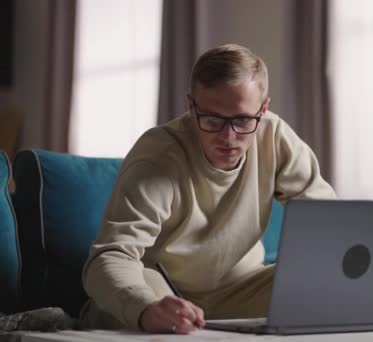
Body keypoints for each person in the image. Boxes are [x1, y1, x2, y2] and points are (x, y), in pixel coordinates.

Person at [80, 44, 336, 334]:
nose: (228, 137)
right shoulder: (158, 156)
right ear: (191, 107)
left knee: (322, 284)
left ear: (263, 110)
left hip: (241, 290)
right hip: (163, 292)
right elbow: (109, 257)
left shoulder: (274, 136)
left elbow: (328, 226)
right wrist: (144, 307)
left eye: (242, 120)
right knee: (142, 290)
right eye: (212, 119)